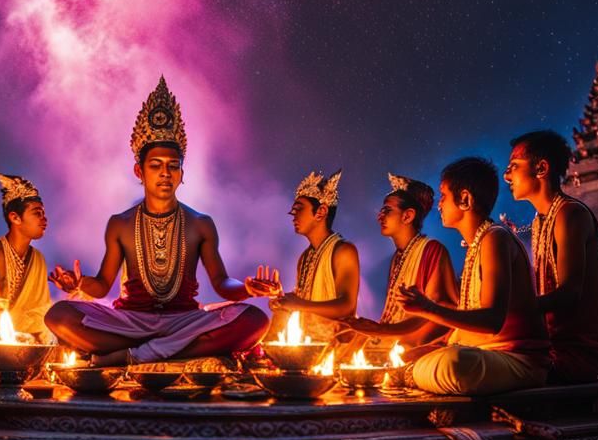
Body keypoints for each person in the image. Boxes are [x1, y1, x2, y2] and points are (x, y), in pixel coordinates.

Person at [44, 76, 268, 365]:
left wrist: (248, 288)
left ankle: (136, 355)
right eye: (156, 166)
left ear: (182, 173)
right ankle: (172, 351)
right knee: (60, 315)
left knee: (254, 319)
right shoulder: (120, 223)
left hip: (184, 320)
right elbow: (101, 285)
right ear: (139, 171)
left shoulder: (200, 223)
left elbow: (222, 283)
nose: (165, 173)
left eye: (173, 166)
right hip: (130, 321)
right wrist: (78, 283)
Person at [397, 157, 550, 395]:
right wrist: (430, 347)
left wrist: (426, 307)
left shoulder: (495, 238)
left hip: (518, 361)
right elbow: (467, 329)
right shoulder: (476, 245)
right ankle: (414, 370)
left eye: (444, 196)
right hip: (488, 356)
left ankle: (411, 374)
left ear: (465, 199)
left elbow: (491, 321)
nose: (439, 205)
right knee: (424, 354)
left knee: (456, 365)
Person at [505, 130, 598, 383]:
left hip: (576, 355)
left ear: (541, 168)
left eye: (513, 167)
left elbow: (569, 294)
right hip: (548, 348)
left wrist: (507, 309)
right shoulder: (541, 220)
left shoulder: (569, 214)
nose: (507, 176)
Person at [344, 173, 458, 349]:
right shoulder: (398, 257)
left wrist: (380, 330)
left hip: (419, 342)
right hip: (396, 337)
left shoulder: (432, 250)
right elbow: (393, 314)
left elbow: (430, 313)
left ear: (408, 216)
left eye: (387, 211)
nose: (379, 217)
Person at [246, 170, 359, 343]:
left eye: (299, 209)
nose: (293, 216)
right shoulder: (305, 256)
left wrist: (296, 304)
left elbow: (346, 306)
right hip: (308, 340)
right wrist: (280, 297)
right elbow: (303, 301)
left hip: (334, 342)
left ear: (321, 212)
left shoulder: (344, 251)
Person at [0, 173, 54, 343]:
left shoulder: (38, 259)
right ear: (15, 218)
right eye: (37, 213)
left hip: (33, 337)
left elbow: (40, 312)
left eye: (44, 213)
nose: (44, 219)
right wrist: (16, 334)